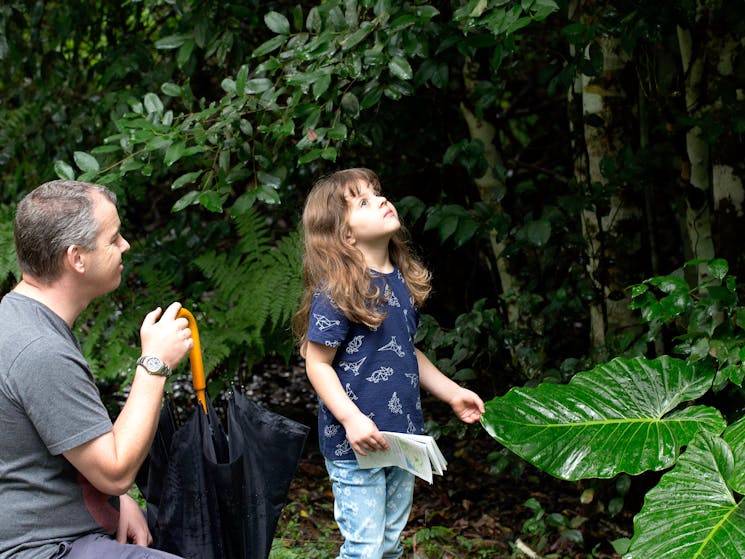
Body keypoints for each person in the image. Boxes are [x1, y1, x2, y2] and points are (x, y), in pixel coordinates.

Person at [292, 168, 485, 559]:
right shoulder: (337, 292)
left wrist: (453, 393)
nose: (381, 199)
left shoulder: (401, 281)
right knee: (364, 547)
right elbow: (317, 365)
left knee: (389, 544)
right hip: (355, 443)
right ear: (346, 235)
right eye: (363, 201)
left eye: (377, 193)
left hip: (401, 438)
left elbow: (405, 351)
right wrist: (350, 419)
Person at [0, 180, 194, 559]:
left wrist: (117, 505)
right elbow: (116, 471)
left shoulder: (18, 315)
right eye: (114, 238)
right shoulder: (40, 350)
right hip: (41, 548)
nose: (125, 246)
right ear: (77, 258)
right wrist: (153, 364)